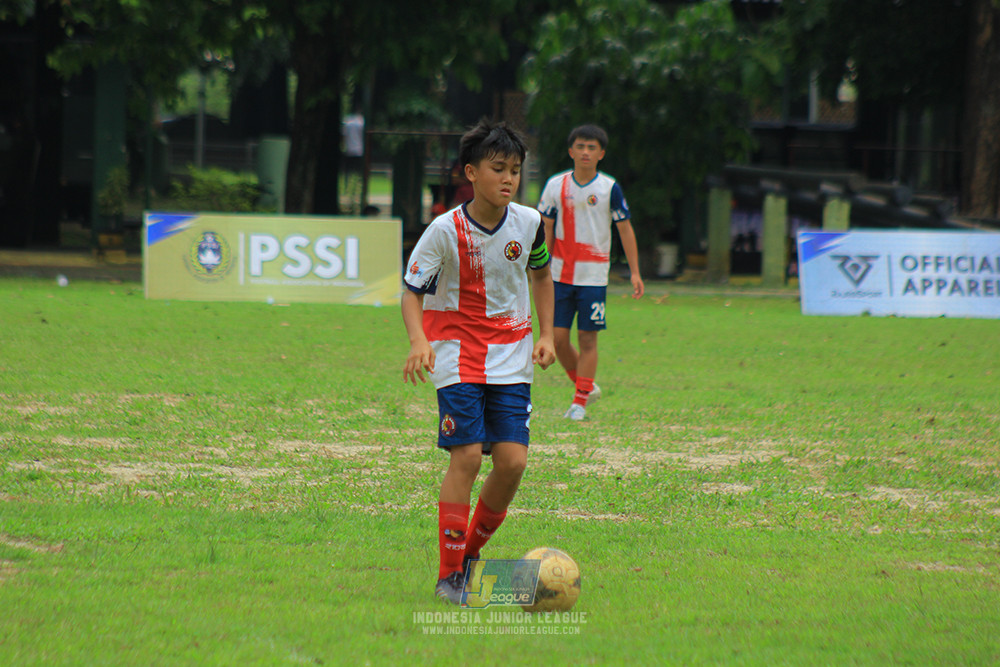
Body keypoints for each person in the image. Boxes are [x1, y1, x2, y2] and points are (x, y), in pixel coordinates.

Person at [401, 119, 556, 605]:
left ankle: (468, 558)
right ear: (471, 172)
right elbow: (411, 292)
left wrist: (548, 334)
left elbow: (542, 276)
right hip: (458, 355)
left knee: (512, 463)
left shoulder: (530, 223)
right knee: (467, 457)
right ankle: (450, 577)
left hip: (512, 359)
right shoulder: (444, 230)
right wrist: (417, 341)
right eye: (497, 169)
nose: (508, 178)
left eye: (514, 170)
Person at [538, 124, 644, 421]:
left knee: (587, 339)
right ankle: (586, 386)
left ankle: (579, 401)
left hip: (593, 277)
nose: (586, 152)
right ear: (571, 151)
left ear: (601, 154)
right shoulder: (555, 185)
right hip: (558, 275)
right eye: (580, 146)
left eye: (592, 147)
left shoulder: (609, 188)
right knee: (557, 339)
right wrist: (540, 265)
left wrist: (635, 272)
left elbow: (624, 229)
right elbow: (545, 226)